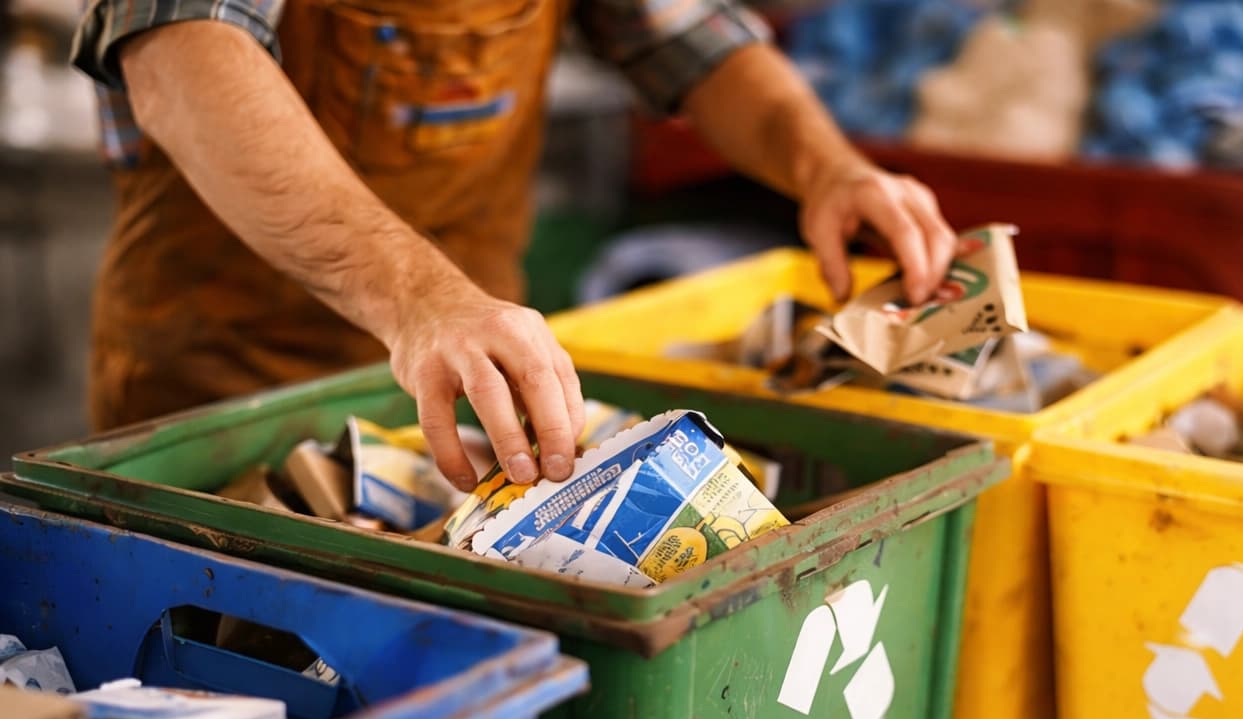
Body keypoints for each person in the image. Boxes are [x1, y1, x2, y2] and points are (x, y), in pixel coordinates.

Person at [71, 0, 958, 490]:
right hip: (229, 384)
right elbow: (181, 51)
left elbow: (693, 36)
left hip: (474, 388)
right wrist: (418, 300)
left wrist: (829, 168)